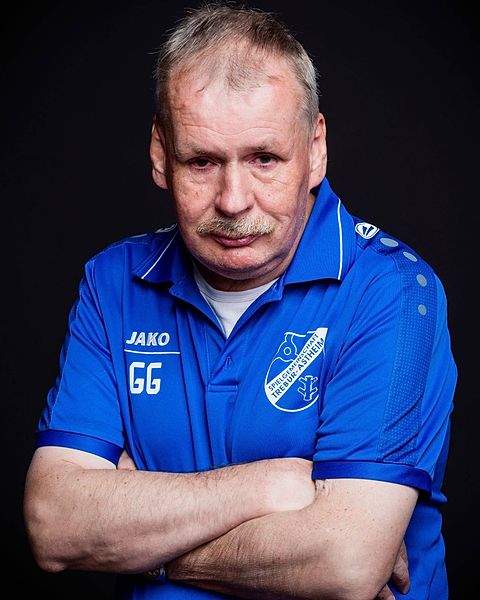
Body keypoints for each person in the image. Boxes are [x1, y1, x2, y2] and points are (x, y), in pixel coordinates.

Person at [23, 2, 457, 599]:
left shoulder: (394, 291)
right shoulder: (113, 282)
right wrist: (275, 485)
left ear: (316, 148)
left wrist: (145, 545)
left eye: (264, 159)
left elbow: (345, 564)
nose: (233, 200)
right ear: (160, 154)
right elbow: (54, 525)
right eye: (201, 162)